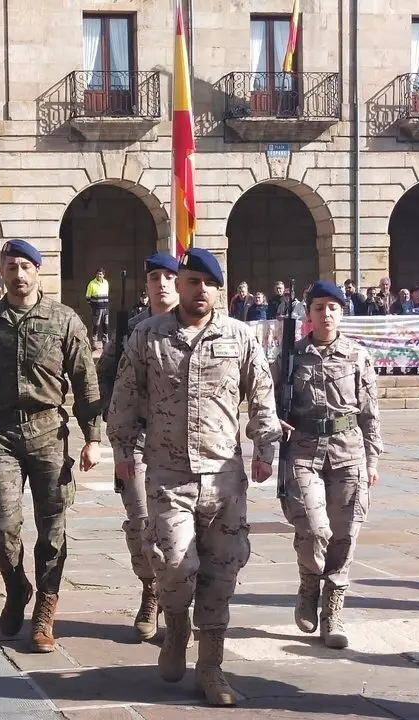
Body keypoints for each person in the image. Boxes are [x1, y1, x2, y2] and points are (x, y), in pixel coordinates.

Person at [107, 248, 282, 707]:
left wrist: (265, 448)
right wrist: (122, 449)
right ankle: (176, 625)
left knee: (222, 572)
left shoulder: (240, 336)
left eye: (208, 283)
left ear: (219, 289)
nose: (199, 289)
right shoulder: (148, 335)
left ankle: (210, 667)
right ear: (179, 284)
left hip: (225, 478)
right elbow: (125, 394)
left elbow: (262, 395)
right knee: (174, 563)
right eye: (191, 280)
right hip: (169, 474)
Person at [0, 239, 102, 654]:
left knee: (52, 528)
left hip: (48, 432)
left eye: (25, 266)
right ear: (1, 272)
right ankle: (17, 586)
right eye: (11, 267)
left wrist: (93, 437)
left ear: (38, 270)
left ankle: (45, 610)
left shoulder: (64, 319)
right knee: (1, 524)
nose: (18, 274)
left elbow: (86, 381)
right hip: (1, 433)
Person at [279, 281, 382, 650]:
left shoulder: (357, 356)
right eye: (319, 307)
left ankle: (333, 610)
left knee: (345, 532)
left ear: (342, 311)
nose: (326, 314)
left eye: (333, 308)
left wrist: (372, 459)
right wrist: (273, 425)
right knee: (313, 527)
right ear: (308, 314)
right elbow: (270, 403)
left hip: (348, 451)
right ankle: (309, 582)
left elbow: (369, 411)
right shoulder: (291, 357)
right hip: (304, 451)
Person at [97, 252, 179, 642]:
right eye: (154, 277)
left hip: (182, 441)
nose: (161, 283)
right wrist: (113, 427)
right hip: (138, 440)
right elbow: (107, 379)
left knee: (180, 528)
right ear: (146, 285)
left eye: (169, 276)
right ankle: (150, 590)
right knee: (141, 523)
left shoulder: (198, 328)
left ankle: (178, 602)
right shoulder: (129, 329)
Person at [85, 268, 110, 348]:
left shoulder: (106, 282)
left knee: (105, 325)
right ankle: (94, 342)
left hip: (105, 308)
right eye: (98, 274)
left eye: (101, 274)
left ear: (103, 275)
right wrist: (93, 306)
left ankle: (105, 342)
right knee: (96, 325)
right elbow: (88, 297)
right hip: (96, 309)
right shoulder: (92, 283)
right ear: (96, 274)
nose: (99, 275)